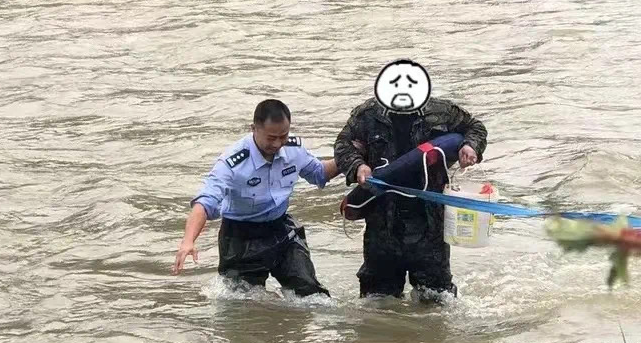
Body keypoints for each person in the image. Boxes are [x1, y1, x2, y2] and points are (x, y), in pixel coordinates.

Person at [334, 61, 488, 301]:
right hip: (382, 222)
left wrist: (470, 146)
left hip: (430, 223)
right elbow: (343, 144)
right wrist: (358, 166)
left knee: (437, 302)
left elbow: (474, 127)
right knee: (377, 303)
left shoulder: (443, 111)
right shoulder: (367, 115)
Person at [173, 98, 339, 296]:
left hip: (281, 229)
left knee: (312, 295)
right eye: (271, 138)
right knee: (242, 305)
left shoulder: (294, 149)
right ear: (254, 128)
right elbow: (205, 202)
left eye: (283, 136)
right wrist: (188, 241)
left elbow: (319, 173)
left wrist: (351, 159)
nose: (278, 144)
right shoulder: (232, 163)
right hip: (240, 238)